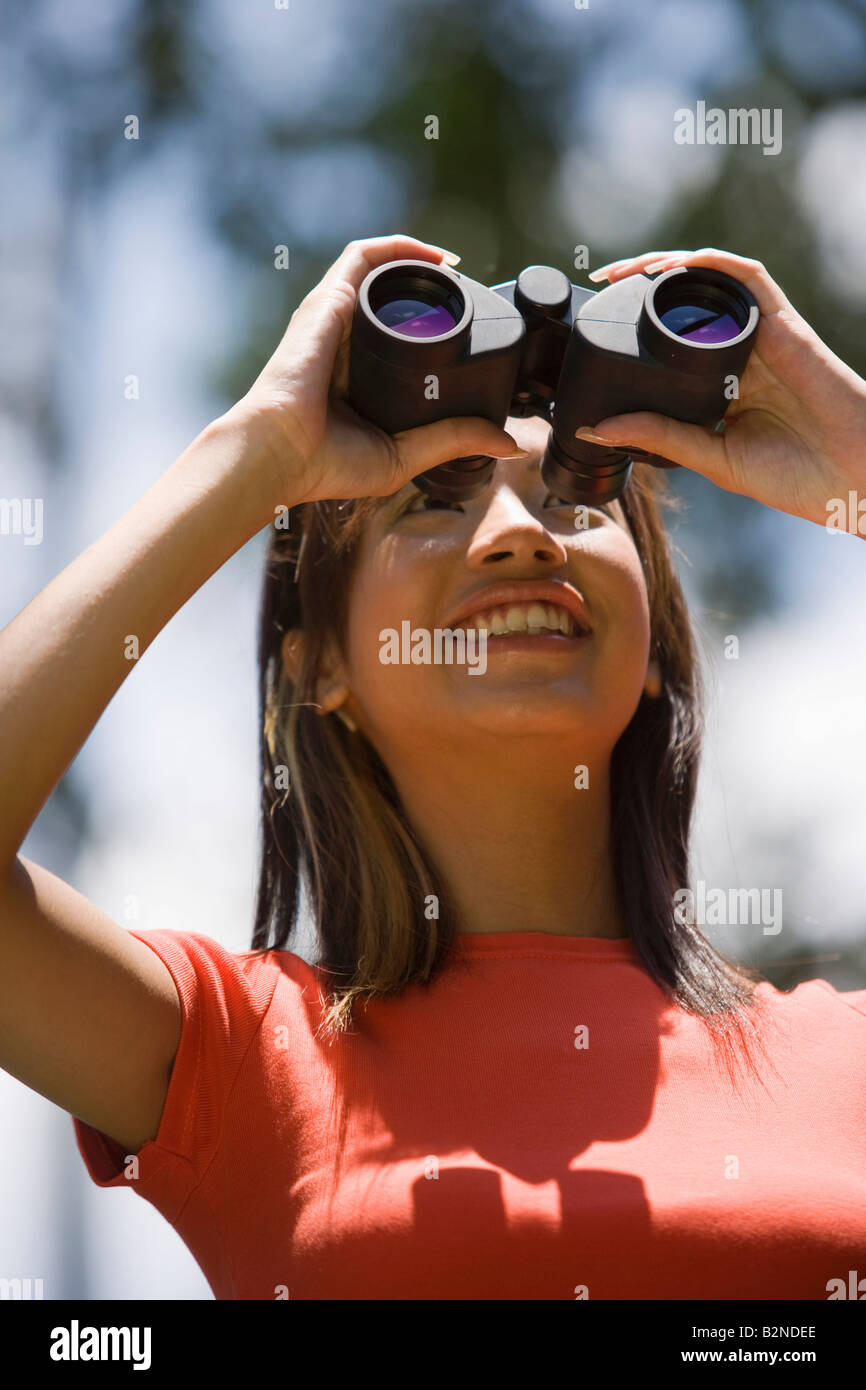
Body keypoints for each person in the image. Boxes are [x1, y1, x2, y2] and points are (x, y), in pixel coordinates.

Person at [1, 234, 864, 1301]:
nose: (519, 535)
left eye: (575, 495)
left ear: (654, 648)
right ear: (320, 664)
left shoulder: (845, 1060)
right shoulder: (243, 1062)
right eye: (431, 497)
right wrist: (259, 449)